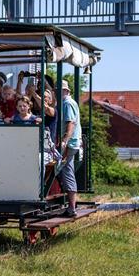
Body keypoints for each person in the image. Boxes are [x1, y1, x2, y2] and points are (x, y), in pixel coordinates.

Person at [58, 80, 82, 216]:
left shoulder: (67, 103)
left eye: (60, 90)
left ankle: (72, 208)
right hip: (71, 142)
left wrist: (65, 140)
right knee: (66, 170)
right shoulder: (67, 102)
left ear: (66, 91)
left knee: (66, 171)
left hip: (69, 143)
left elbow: (71, 123)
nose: (57, 92)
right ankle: (70, 206)